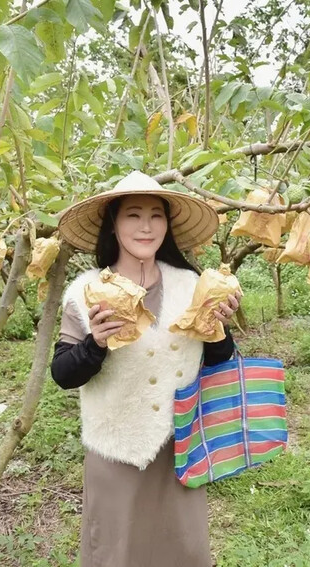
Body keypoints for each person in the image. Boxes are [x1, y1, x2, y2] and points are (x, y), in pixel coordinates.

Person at [50, 171, 242, 567]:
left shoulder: (193, 285)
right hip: (117, 450)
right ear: (114, 225)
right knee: (118, 552)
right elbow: (63, 374)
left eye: (156, 216)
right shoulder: (87, 292)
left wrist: (218, 327)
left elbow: (220, 362)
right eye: (133, 215)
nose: (146, 226)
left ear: (167, 226)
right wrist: (96, 343)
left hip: (180, 448)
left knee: (182, 549)